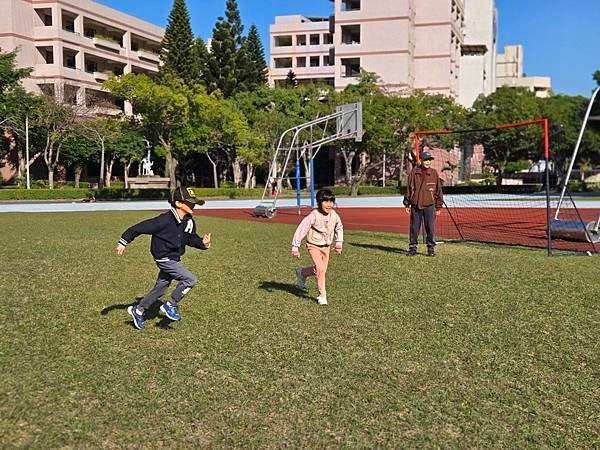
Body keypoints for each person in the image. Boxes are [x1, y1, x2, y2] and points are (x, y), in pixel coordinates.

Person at [116, 186, 211, 330]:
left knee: (161, 288)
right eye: (190, 202)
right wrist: (124, 241)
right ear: (178, 203)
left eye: (194, 202)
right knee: (190, 279)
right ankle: (171, 304)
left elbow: (190, 239)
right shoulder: (163, 220)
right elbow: (138, 228)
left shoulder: (189, 221)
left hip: (175, 258)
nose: (194, 205)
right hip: (164, 258)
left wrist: (202, 243)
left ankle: (139, 309)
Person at [291, 189, 344, 305]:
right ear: (319, 202)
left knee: (321, 270)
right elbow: (302, 229)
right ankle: (322, 295)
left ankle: (302, 273)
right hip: (313, 245)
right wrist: (295, 246)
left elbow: (339, 227)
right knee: (320, 269)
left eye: (331, 202)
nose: (329, 204)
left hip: (326, 247)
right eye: (325, 201)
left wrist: (339, 242)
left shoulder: (334, 215)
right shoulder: (313, 215)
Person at [403, 151, 444, 256]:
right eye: (426, 160)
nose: (428, 162)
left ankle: (431, 249)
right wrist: (406, 203)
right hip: (415, 205)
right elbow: (409, 188)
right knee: (414, 228)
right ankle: (412, 248)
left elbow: (438, 190)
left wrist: (439, 206)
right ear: (421, 160)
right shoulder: (414, 172)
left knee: (430, 227)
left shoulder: (434, 173)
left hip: (429, 205)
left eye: (429, 160)